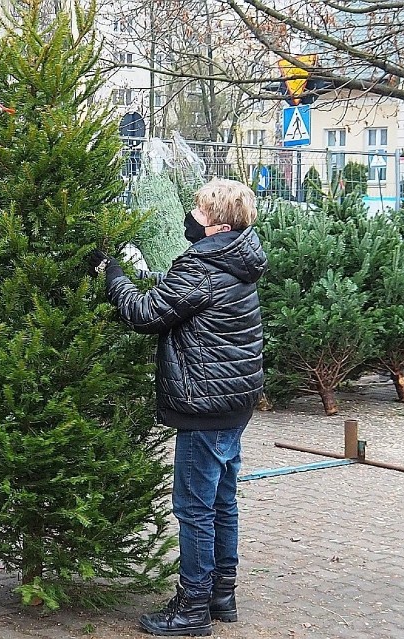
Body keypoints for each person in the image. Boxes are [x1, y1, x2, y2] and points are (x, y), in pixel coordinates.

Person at [87, 178, 267, 637]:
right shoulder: (236, 261)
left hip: (204, 407)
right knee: (223, 500)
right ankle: (220, 595)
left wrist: (112, 275)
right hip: (233, 404)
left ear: (217, 224)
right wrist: (134, 275)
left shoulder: (203, 267)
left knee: (194, 507)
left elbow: (146, 313)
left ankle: (190, 610)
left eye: (199, 212)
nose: (192, 216)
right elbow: (174, 297)